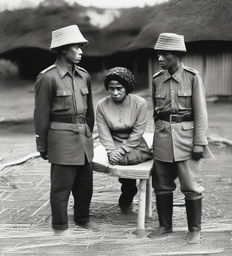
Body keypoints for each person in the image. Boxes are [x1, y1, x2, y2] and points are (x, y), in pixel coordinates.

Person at [147, 33, 211, 243]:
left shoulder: (192, 77)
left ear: (176, 55)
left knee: (191, 186)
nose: (160, 59)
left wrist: (199, 141)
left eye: (164, 55)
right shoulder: (157, 79)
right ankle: (165, 226)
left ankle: (194, 229)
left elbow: (201, 112)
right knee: (162, 185)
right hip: (163, 138)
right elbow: (156, 112)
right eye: (158, 54)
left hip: (186, 139)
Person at [34, 25, 94, 233]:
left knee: (85, 187)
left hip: (83, 140)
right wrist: (42, 144)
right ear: (62, 49)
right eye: (76, 47)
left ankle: (83, 220)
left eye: (80, 47)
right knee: (61, 189)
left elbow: (90, 111)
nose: (81, 51)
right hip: (61, 140)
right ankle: (60, 226)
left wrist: (88, 134)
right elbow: (41, 114)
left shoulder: (84, 75)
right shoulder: (47, 77)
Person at [96, 67, 153, 214]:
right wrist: (111, 151)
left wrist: (121, 152)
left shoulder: (139, 103)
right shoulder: (101, 105)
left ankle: (133, 194)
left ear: (126, 88)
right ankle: (127, 195)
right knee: (124, 175)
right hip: (114, 144)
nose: (115, 93)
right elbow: (104, 133)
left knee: (127, 161)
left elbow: (138, 132)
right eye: (111, 88)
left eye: (119, 88)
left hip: (135, 144)